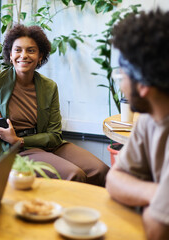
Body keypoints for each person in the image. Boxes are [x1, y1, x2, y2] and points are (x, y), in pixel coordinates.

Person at [0, 24, 109, 186]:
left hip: (47, 145)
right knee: (74, 174)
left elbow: (54, 135)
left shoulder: (49, 86)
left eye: (31, 50)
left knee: (101, 170)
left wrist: (19, 139)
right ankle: (58, 211)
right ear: (10, 55)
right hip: (17, 151)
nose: (23, 55)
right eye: (17, 50)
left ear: (40, 57)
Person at [105, 10, 169, 240]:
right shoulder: (150, 118)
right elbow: (114, 179)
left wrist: (153, 203)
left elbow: (157, 229)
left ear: (142, 86)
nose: (121, 84)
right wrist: (158, 194)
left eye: (122, 76)